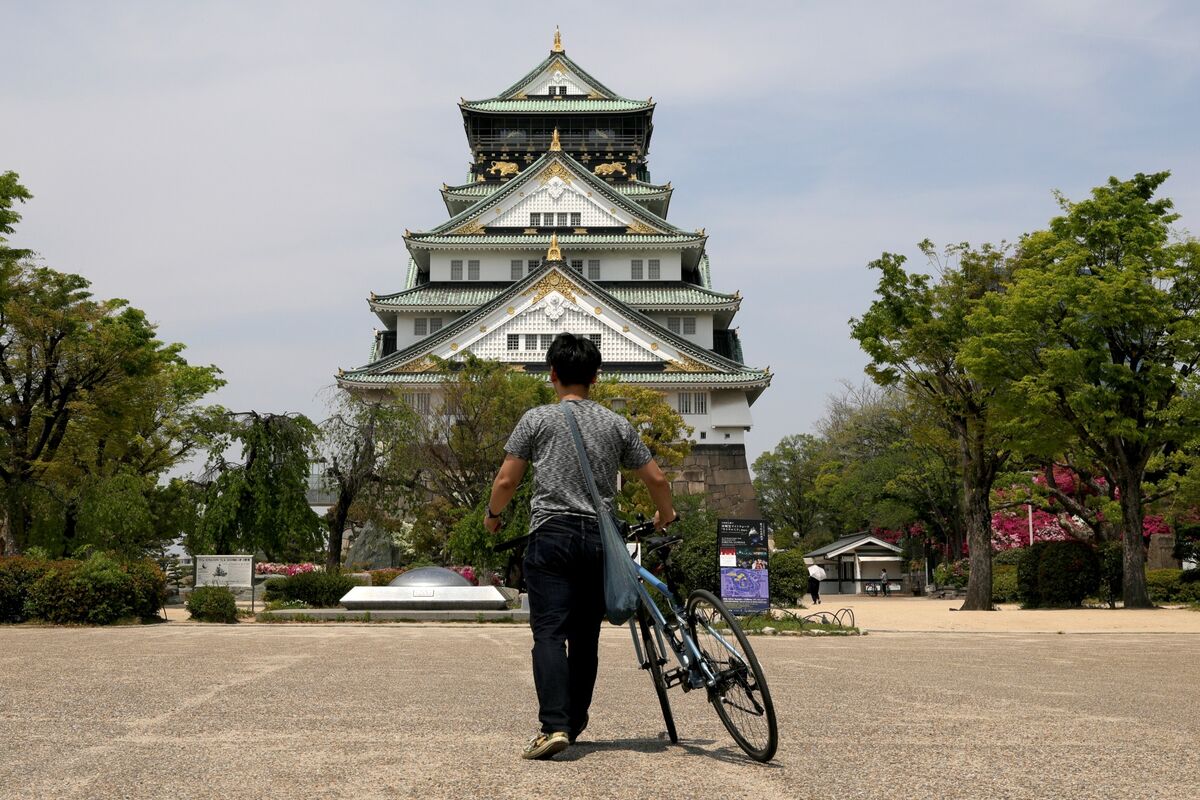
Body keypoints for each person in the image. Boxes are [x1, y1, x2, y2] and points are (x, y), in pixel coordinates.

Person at [484, 332, 677, 760]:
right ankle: (574, 721)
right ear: (596, 376)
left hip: (551, 534)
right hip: (599, 540)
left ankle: (554, 726)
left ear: (552, 374)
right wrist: (666, 516)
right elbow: (657, 480)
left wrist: (493, 516)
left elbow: (506, 481)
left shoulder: (536, 420)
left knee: (549, 632)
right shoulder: (616, 424)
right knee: (585, 636)